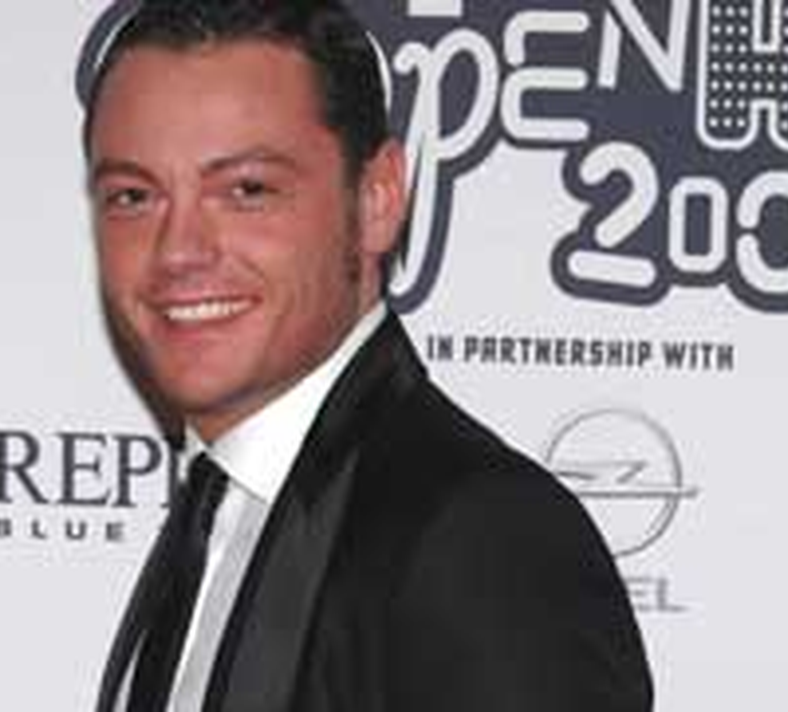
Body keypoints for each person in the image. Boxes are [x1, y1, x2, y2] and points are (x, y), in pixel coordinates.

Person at [82, 1, 654, 710]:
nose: (178, 251)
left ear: (378, 198)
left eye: (247, 190)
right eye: (133, 196)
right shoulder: (216, 511)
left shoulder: (482, 544)